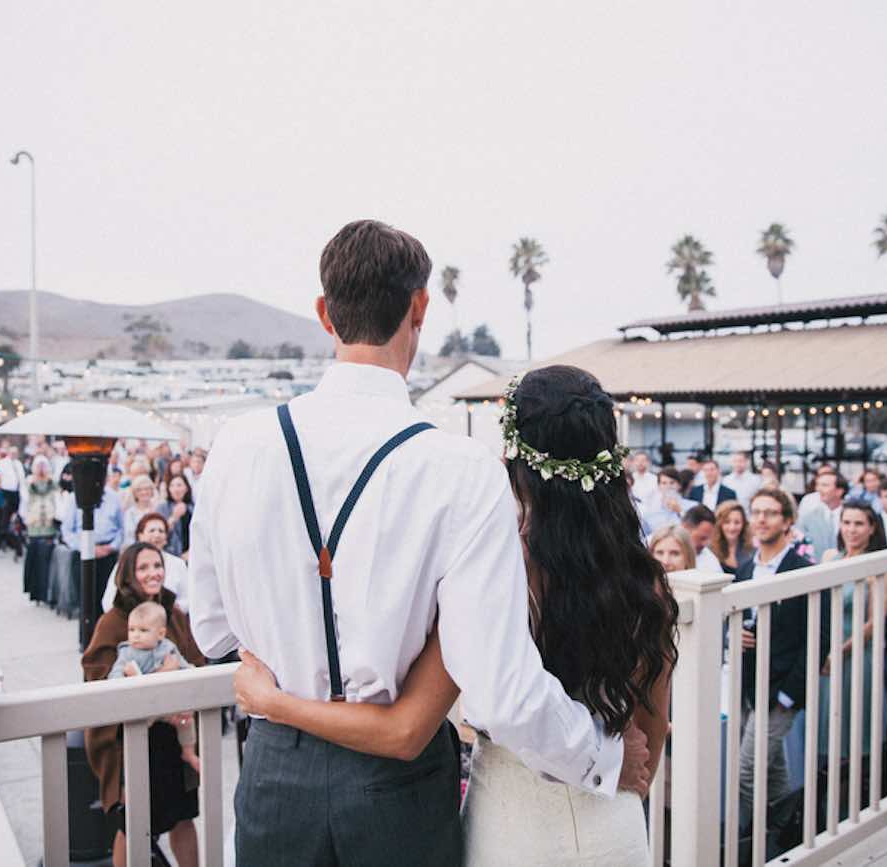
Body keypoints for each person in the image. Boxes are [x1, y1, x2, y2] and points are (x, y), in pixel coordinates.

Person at [200, 222, 655, 865]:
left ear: (325, 314)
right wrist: (605, 755)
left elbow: (214, 627)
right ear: (419, 308)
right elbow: (498, 688)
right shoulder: (460, 469)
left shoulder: (234, 447)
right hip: (397, 793)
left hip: (275, 778)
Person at [233, 365, 676, 866]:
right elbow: (649, 742)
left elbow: (416, 723)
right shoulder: (646, 581)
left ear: (513, 455)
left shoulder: (493, 571)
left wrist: (273, 700)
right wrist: (611, 769)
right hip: (613, 828)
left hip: (512, 827)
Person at [83, 543, 203, 867]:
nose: (153, 573)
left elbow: (195, 661)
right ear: (128, 575)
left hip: (173, 738)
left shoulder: (172, 612)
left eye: (157, 565)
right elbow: (97, 680)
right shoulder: (114, 621)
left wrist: (182, 692)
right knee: (133, 825)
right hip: (132, 741)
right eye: (144, 568)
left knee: (183, 817)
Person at [733, 487, 824, 825]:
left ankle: (750, 842)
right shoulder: (743, 570)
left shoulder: (804, 570)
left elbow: (818, 638)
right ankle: (788, 828)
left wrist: (790, 694)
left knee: (747, 771)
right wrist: (733, 635)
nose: (761, 519)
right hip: (748, 685)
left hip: (780, 690)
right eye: (756, 512)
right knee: (772, 770)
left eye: (770, 512)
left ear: (787, 521)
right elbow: (734, 619)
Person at [817, 501, 887, 765]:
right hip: (825, 649)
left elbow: (875, 622)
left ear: (872, 528)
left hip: (857, 652)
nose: (852, 530)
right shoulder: (829, 557)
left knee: (854, 726)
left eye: (859, 523)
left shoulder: (881, 565)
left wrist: (841, 651)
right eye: (847, 522)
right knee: (825, 723)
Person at [107, 599, 200, 774]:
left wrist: (191, 672)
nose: (135, 635)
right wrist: (129, 677)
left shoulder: (167, 648)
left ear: (160, 634)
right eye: (131, 630)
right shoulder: (126, 652)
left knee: (187, 719)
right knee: (139, 722)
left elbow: (184, 666)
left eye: (143, 630)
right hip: (144, 707)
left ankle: (189, 752)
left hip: (168, 703)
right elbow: (114, 676)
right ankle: (130, 769)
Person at [61, 478, 125, 627]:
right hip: (83, 553)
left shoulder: (113, 497)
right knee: (86, 600)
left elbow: (121, 528)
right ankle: (86, 640)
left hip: (107, 553)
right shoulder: (74, 498)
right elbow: (67, 531)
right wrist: (88, 549)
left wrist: (112, 546)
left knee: (108, 599)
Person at [103, 512, 190, 613]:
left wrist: (173, 608)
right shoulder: (126, 562)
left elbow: (188, 598)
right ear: (140, 536)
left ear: (166, 539)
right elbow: (108, 602)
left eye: (161, 531)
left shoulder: (177, 564)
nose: (157, 535)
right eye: (152, 530)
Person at [22, 456, 59, 603]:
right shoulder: (29, 483)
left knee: (47, 560)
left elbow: (58, 498)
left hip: (49, 527)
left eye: (44, 466)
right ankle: (36, 592)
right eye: (39, 466)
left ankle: (48, 591)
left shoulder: (52, 483)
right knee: (35, 559)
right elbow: (24, 502)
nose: (41, 469)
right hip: (34, 526)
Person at [797, 469, 848, 561]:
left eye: (825, 485)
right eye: (818, 485)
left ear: (839, 491)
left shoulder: (851, 515)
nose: (818, 489)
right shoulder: (809, 517)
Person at [709, 500, 752, 574]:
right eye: (727, 522)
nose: (732, 528)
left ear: (744, 524)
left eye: (737, 522)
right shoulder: (710, 550)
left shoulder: (752, 549)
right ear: (719, 524)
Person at [679, 504, 724, 573]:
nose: (706, 543)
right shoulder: (662, 554)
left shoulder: (711, 562)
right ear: (685, 528)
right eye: (702, 538)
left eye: (709, 538)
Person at [157, 474, 193, 557]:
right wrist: (174, 517)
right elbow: (161, 533)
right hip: (171, 552)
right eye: (172, 486)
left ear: (186, 488)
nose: (176, 489)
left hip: (191, 553)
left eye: (179, 485)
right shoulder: (162, 507)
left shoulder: (193, 507)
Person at [121, 474, 159, 550]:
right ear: (135, 493)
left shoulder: (158, 509)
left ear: (152, 491)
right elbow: (129, 536)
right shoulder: (130, 513)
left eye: (147, 489)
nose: (144, 492)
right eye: (139, 490)